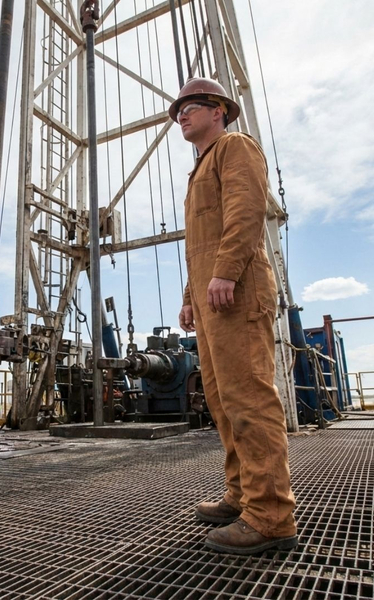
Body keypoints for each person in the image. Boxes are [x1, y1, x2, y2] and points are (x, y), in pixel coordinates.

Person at [169, 78, 297, 554]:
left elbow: (245, 213)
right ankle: (242, 496)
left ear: (218, 110)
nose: (180, 115)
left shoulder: (235, 147)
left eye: (189, 107)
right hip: (211, 299)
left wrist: (224, 273)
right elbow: (198, 245)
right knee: (222, 401)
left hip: (237, 292)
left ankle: (271, 516)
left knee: (248, 398)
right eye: (177, 111)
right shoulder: (198, 171)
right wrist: (189, 296)